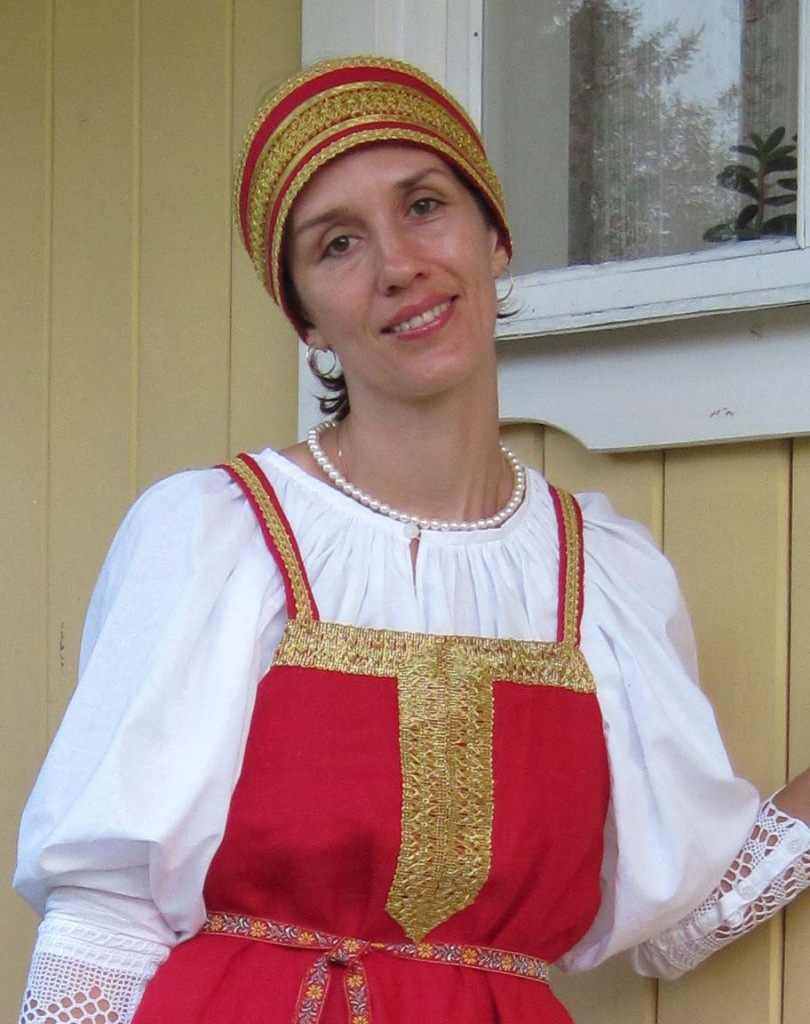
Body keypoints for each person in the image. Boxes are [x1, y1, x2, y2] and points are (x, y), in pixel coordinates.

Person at [14, 55, 810, 1024]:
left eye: (425, 205)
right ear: (305, 318)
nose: (398, 266)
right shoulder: (218, 536)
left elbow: (676, 920)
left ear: (495, 238)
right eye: (338, 244)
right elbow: (103, 914)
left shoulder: (605, 576)